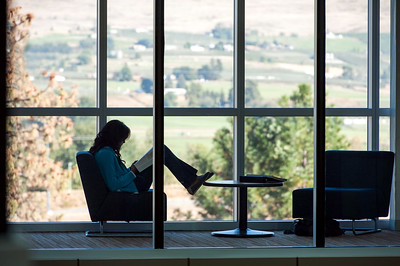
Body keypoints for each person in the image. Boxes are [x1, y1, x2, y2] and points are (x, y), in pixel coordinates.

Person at [89, 120, 214, 195]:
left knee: (159, 151)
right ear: (115, 137)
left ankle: (191, 181)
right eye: (122, 139)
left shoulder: (106, 152)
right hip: (134, 186)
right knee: (161, 151)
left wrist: (131, 169)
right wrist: (133, 172)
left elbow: (118, 175)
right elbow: (113, 184)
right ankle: (191, 181)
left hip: (132, 183)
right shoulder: (105, 154)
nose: (123, 142)